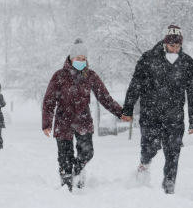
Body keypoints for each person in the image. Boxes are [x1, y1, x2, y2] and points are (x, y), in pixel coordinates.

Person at [42, 38, 129, 191]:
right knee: (64, 158)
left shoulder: (91, 76)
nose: (81, 61)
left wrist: (120, 112)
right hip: (63, 121)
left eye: (83, 59)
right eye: (78, 58)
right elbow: (49, 100)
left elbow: (105, 97)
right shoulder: (59, 76)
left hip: (83, 120)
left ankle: (78, 171)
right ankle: (66, 187)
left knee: (87, 153)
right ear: (71, 58)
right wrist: (47, 123)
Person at [121, 24, 193, 194]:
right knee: (150, 149)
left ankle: (168, 189)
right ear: (165, 43)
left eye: (178, 46)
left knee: (173, 155)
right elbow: (135, 85)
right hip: (151, 115)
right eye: (172, 46)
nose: (175, 49)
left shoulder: (187, 63)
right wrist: (127, 109)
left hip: (175, 117)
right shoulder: (148, 59)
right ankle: (144, 165)